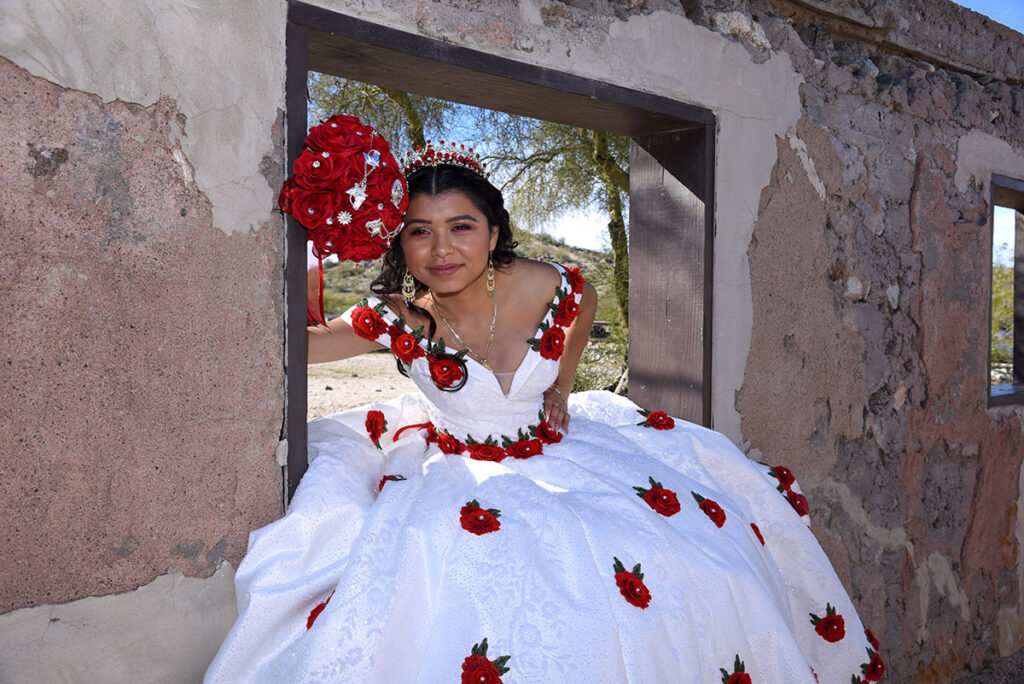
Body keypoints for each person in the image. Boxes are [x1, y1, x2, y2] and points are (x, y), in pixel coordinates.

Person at [206, 143, 884, 683]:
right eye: (420, 232)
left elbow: (584, 303)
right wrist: (301, 257)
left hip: (562, 455)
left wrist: (559, 384)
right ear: (399, 242)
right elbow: (303, 342)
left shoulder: (544, 281)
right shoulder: (397, 317)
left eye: (461, 227)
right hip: (455, 475)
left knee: (701, 571)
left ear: (493, 231)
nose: (442, 250)